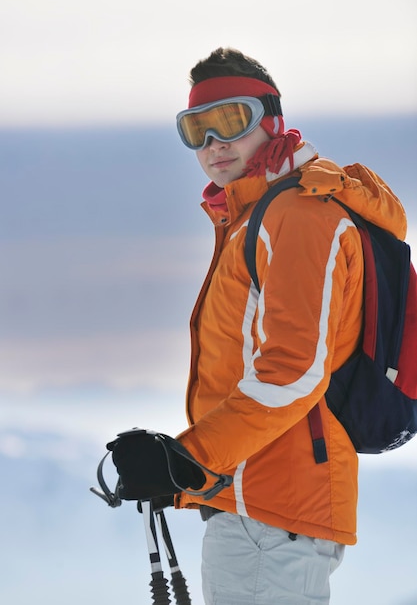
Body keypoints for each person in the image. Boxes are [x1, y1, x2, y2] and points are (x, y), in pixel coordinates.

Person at [109, 48, 408, 604]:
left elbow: (294, 370)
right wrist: (190, 470)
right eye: (196, 128)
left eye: (231, 120)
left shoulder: (297, 216)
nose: (213, 143)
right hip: (253, 500)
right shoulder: (256, 216)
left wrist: (188, 459)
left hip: (272, 510)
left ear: (271, 120)